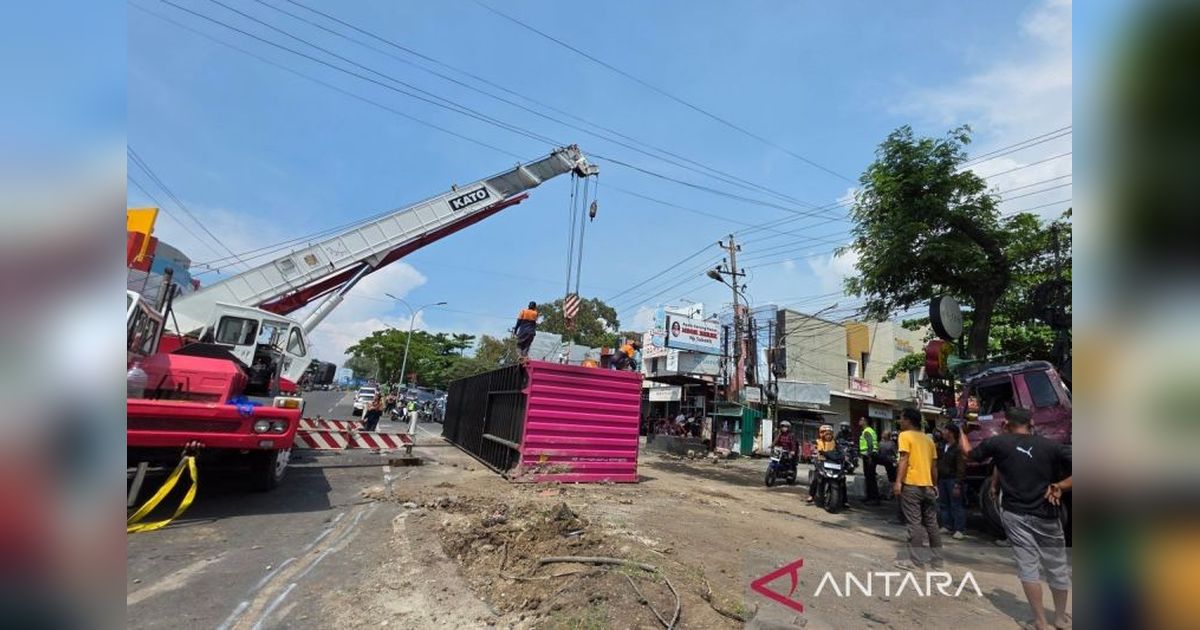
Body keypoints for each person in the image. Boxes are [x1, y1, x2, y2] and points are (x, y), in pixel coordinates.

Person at [959, 407, 1071, 630]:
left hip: (1016, 515)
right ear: (1031, 423)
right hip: (1047, 515)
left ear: (1005, 424)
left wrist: (962, 430)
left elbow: (968, 453)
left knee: (1028, 567)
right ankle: (1059, 618)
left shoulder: (998, 443)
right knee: (1057, 567)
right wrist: (1060, 486)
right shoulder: (1051, 446)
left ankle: (1040, 621)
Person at [895, 407, 942, 570]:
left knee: (914, 523)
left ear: (908, 420)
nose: (900, 421)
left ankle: (916, 561)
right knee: (932, 524)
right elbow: (934, 466)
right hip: (928, 486)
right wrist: (934, 484)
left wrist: (898, 482)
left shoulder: (905, 435)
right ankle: (937, 561)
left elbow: (904, 459)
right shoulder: (928, 440)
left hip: (911, 485)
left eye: (901, 418)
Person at [937, 424, 967, 540]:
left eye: (945, 430)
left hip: (952, 479)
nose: (943, 432)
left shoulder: (957, 449)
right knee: (944, 504)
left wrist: (957, 483)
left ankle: (959, 529)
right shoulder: (942, 446)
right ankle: (947, 525)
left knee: (956, 505)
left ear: (951, 433)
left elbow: (961, 467)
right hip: (942, 479)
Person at [806, 424, 841, 505]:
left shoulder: (835, 442)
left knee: (841, 479)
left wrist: (843, 455)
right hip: (821, 462)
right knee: (816, 478)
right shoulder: (817, 442)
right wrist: (813, 452)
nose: (828, 435)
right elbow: (813, 449)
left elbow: (840, 451)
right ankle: (811, 495)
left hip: (832, 463)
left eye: (830, 434)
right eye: (826, 433)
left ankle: (844, 500)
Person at [858, 417, 881, 505]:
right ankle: (869, 496)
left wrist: (870, 456)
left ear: (866, 422)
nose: (860, 421)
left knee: (871, 477)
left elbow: (870, 444)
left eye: (861, 420)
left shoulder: (867, 431)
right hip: (869, 456)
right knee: (868, 477)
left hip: (869, 456)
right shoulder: (868, 430)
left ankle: (874, 498)